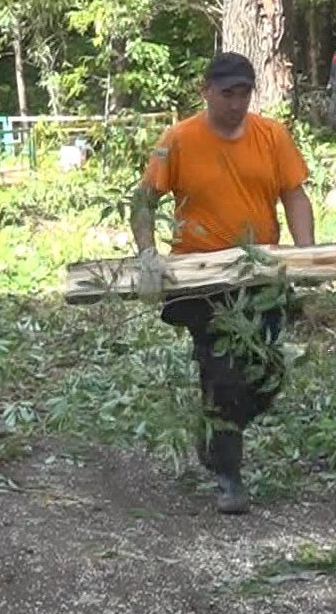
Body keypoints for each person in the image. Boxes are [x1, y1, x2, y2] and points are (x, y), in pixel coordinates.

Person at [131, 52, 316, 515]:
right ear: (206, 90)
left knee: (268, 373)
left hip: (261, 273)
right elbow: (144, 200)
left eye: (244, 94)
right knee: (225, 375)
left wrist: (308, 254)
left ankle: (214, 429)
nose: (237, 103)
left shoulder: (271, 136)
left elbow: (294, 194)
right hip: (201, 280)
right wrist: (148, 255)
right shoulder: (178, 139)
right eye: (227, 93)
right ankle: (229, 475)